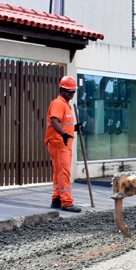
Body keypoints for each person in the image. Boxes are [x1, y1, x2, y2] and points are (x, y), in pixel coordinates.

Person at [46, 75, 82, 213]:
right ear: (61, 89)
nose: (71, 94)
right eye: (69, 92)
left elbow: (63, 124)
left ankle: (56, 199)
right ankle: (66, 202)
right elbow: (54, 121)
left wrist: (73, 128)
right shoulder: (58, 103)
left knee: (58, 172)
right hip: (59, 143)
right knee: (64, 173)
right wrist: (64, 134)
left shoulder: (66, 104)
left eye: (73, 92)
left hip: (63, 143)